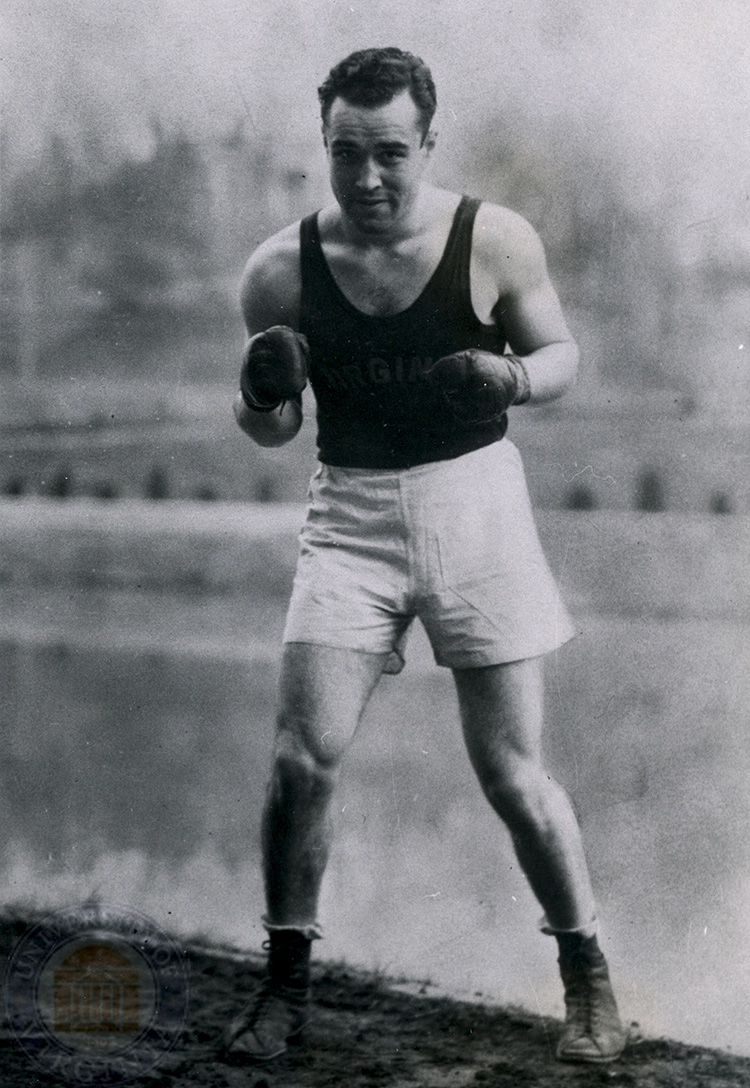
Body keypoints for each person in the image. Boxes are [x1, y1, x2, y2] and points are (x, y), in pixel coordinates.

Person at [224, 46, 627, 1067]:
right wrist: (264, 392)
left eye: (389, 153)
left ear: (428, 143)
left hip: (475, 506)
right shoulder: (279, 269)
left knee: (512, 770)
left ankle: (589, 981)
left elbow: (561, 354)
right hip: (349, 512)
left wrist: (512, 377)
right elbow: (272, 431)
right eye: (345, 154)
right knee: (299, 759)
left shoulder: (492, 238)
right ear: (324, 143)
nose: (366, 179)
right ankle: (283, 987)